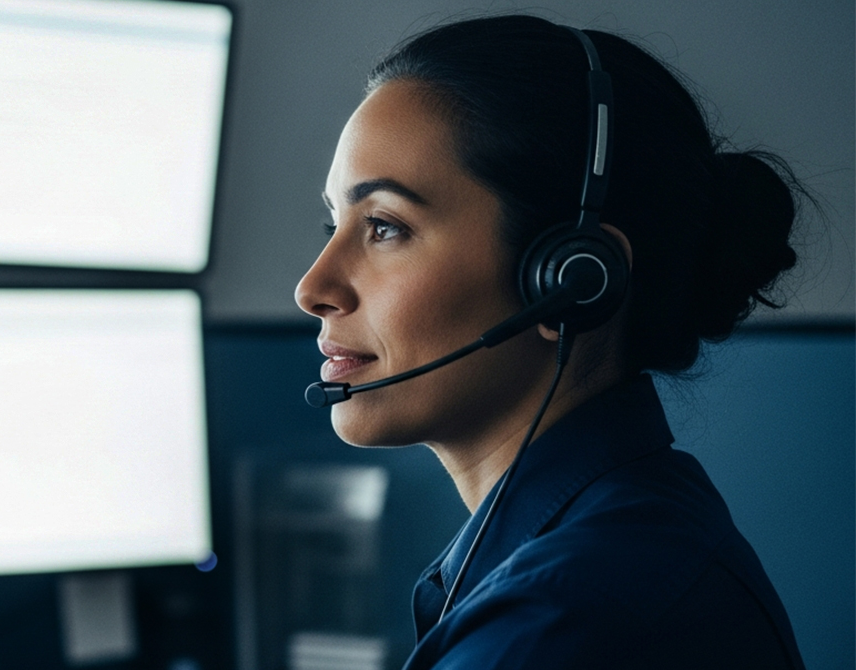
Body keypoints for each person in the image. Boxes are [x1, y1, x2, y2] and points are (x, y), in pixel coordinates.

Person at [295, 14, 807, 669]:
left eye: (385, 227)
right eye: (332, 224)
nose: (313, 287)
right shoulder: (608, 548)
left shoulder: (570, 616)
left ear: (571, 278)